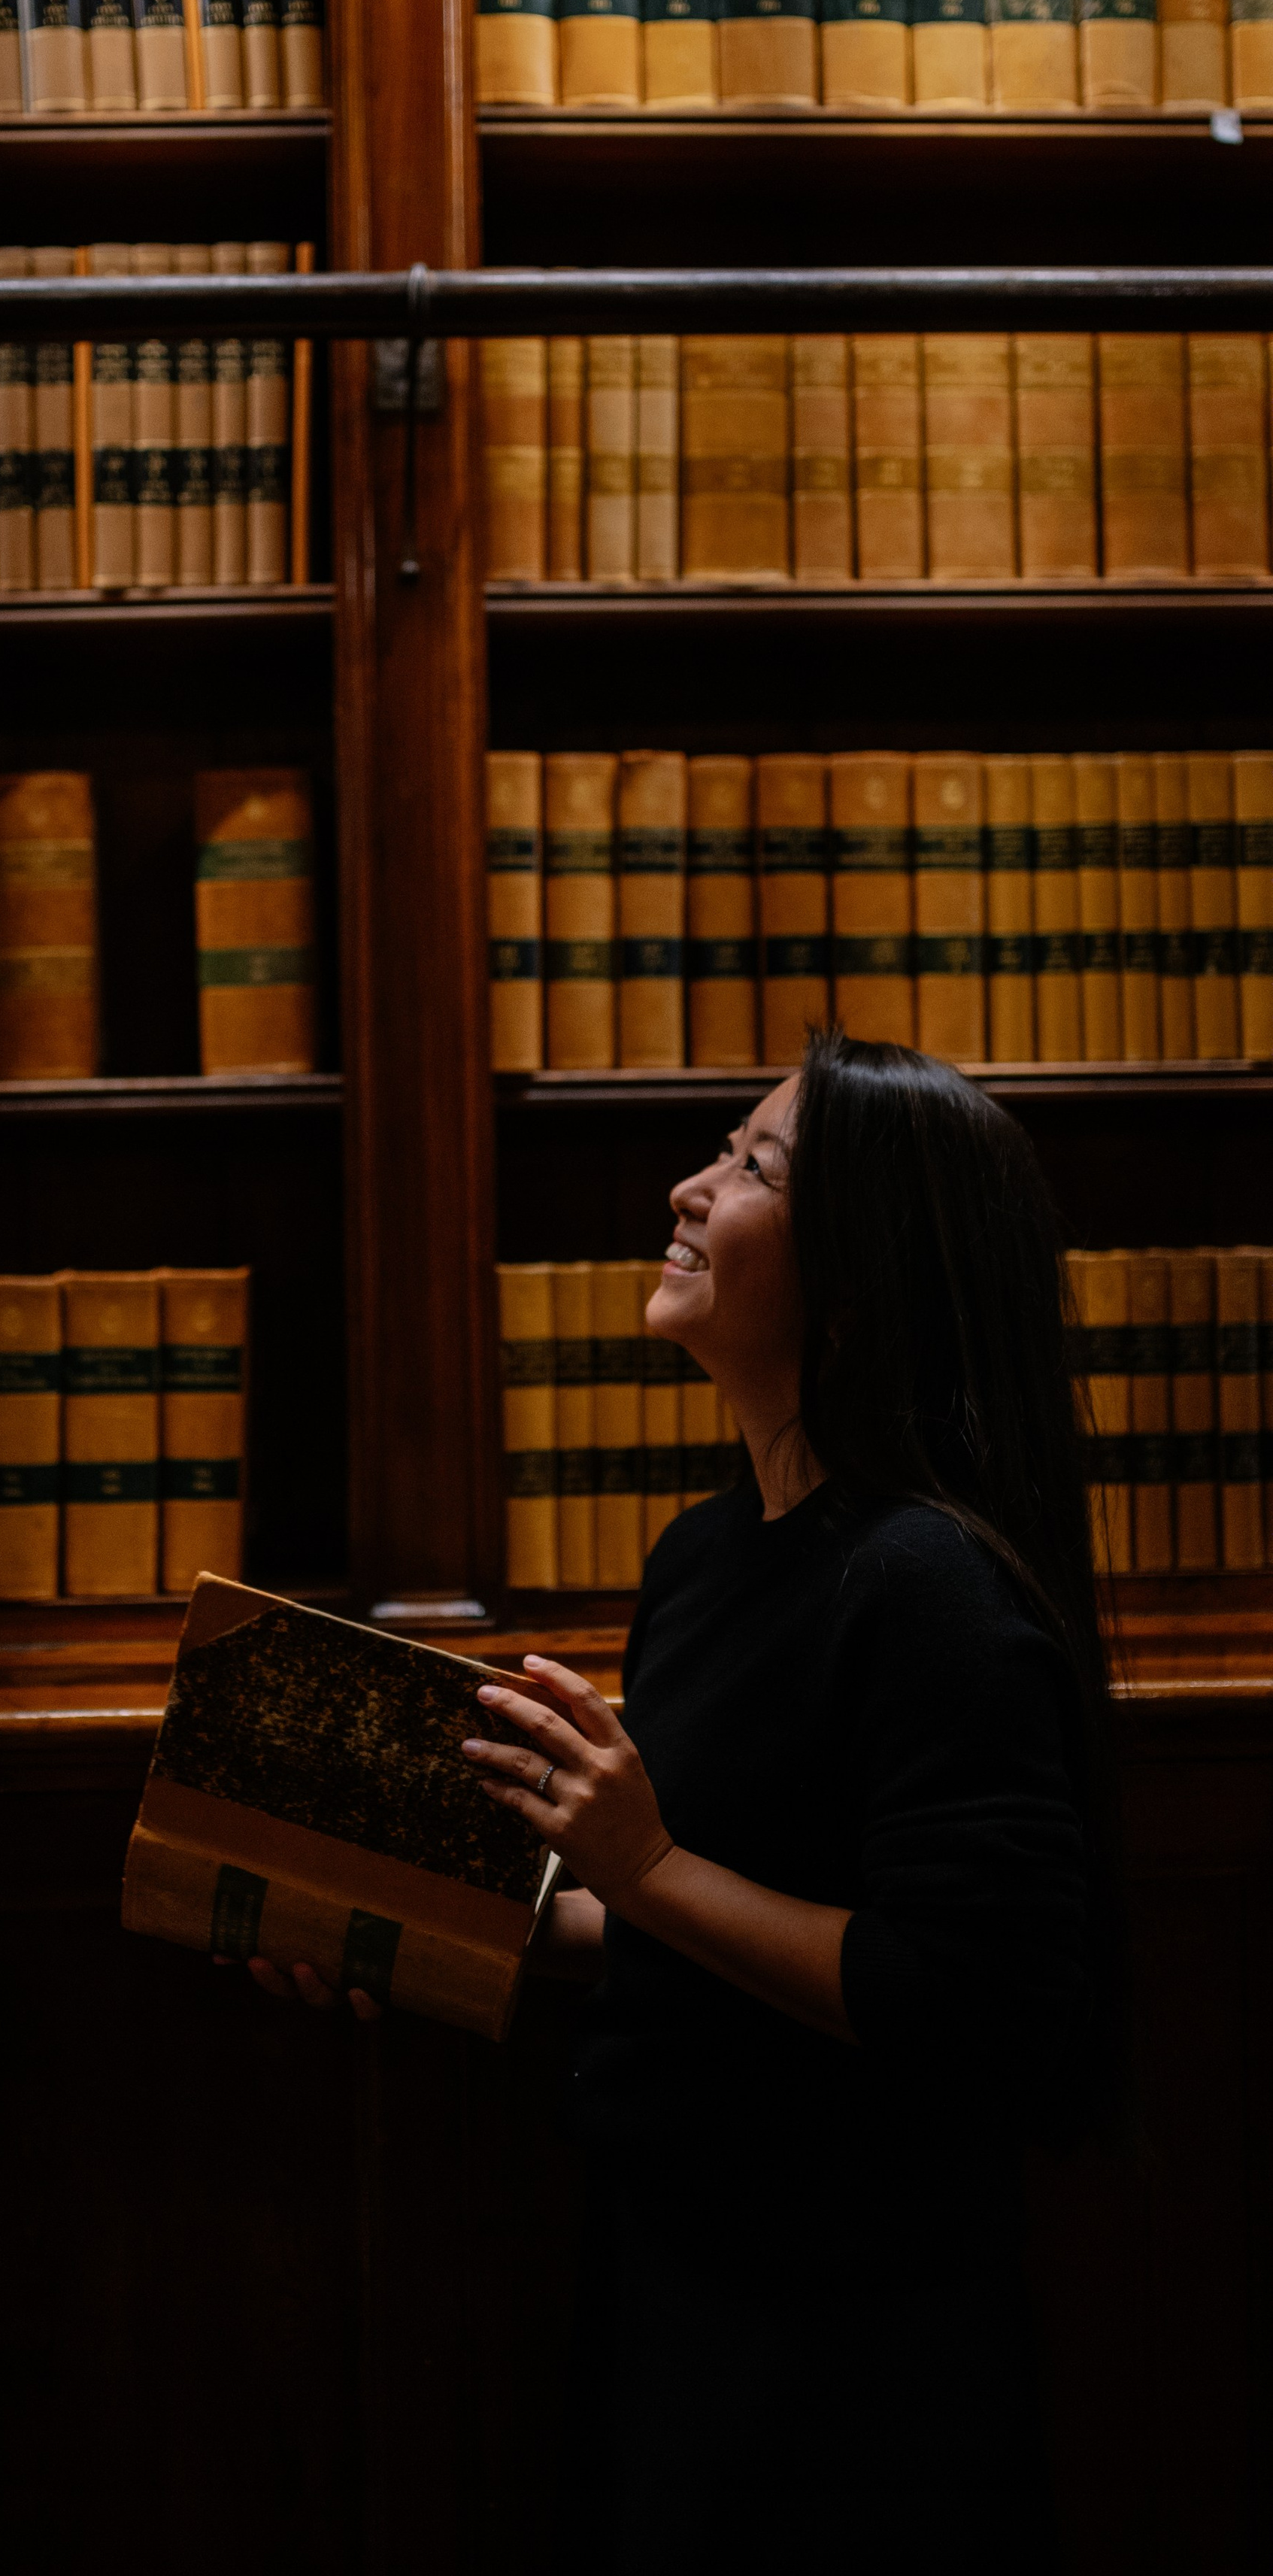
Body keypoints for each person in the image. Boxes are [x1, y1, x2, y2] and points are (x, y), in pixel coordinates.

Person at [462, 1032, 1118, 2572]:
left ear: (858, 1271)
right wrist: (400, 1925)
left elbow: (957, 1995)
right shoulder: (702, 1557)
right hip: (671, 2270)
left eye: (752, 1165)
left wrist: (640, 1860)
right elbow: (683, 1923)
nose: (687, 1189)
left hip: (850, 2344)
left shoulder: (926, 1583)